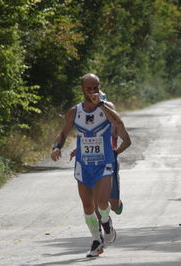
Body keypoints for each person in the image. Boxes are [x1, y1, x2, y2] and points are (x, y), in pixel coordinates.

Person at [51, 73, 127, 257]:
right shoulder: (75, 112)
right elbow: (63, 133)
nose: (93, 91)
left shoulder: (107, 107)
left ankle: (106, 221)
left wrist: (100, 103)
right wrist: (57, 147)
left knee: (102, 202)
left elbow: (118, 122)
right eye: (89, 88)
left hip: (104, 163)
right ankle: (96, 240)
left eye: (96, 87)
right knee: (87, 207)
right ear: (82, 89)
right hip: (83, 165)